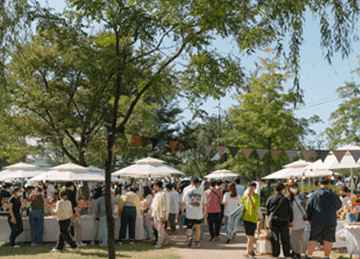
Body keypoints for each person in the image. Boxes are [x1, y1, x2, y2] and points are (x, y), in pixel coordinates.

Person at [305, 177, 342, 259]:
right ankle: (326, 257)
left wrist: (308, 218)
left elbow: (309, 207)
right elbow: (339, 205)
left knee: (313, 238)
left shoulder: (314, 194)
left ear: (319, 184)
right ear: (329, 184)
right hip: (330, 219)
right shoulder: (333, 195)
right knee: (328, 239)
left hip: (316, 220)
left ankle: (309, 256)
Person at [265, 182, 293, 259]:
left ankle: (275, 254)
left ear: (275, 189)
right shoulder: (285, 199)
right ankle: (286, 254)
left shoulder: (270, 199)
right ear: (283, 189)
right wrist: (290, 221)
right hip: (284, 222)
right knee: (285, 238)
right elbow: (290, 211)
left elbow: (267, 213)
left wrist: (266, 224)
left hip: (273, 222)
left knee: (275, 238)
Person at [180, 176, 207, 248]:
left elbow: (183, 203)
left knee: (189, 227)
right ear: (198, 183)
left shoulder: (187, 191)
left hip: (189, 213)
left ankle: (189, 237)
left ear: (191, 183)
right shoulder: (202, 192)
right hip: (198, 214)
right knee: (198, 228)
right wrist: (205, 212)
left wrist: (182, 210)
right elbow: (205, 203)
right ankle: (197, 241)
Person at [286, 182, 308, 259]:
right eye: (292, 187)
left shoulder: (302, 196)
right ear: (289, 188)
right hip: (292, 220)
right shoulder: (288, 197)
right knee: (293, 237)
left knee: (299, 237)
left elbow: (308, 205)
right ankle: (295, 251)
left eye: (295, 187)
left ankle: (298, 252)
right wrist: (286, 198)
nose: (294, 189)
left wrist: (306, 204)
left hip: (301, 218)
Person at [149, 181, 171, 249]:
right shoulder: (157, 194)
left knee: (160, 229)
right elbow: (153, 204)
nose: (154, 187)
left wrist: (164, 214)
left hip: (161, 214)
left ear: (158, 186)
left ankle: (159, 243)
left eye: (155, 186)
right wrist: (151, 213)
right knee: (158, 229)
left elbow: (165, 204)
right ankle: (167, 239)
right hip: (156, 214)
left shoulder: (164, 194)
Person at [241, 182, 260, 258]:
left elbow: (254, 207)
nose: (250, 189)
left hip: (253, 219)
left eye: (251, 187)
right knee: (249, 236)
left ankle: (249, 251)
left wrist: (249, 197)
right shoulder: (245, 197)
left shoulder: (257, 197)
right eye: (249, 187)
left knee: (250, 236)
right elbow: (241, 206)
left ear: (255, 188)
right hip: (245, 218)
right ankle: (251, 251)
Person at [65, 182, 86, 247]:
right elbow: (74, 203)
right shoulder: (72, 193)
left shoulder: (63, 192)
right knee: (78, 227)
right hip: (73, 213)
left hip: (65, 213)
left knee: (67, 228)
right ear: (71, 186)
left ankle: (67, 243)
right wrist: (77, 212)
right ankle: (78, 242)